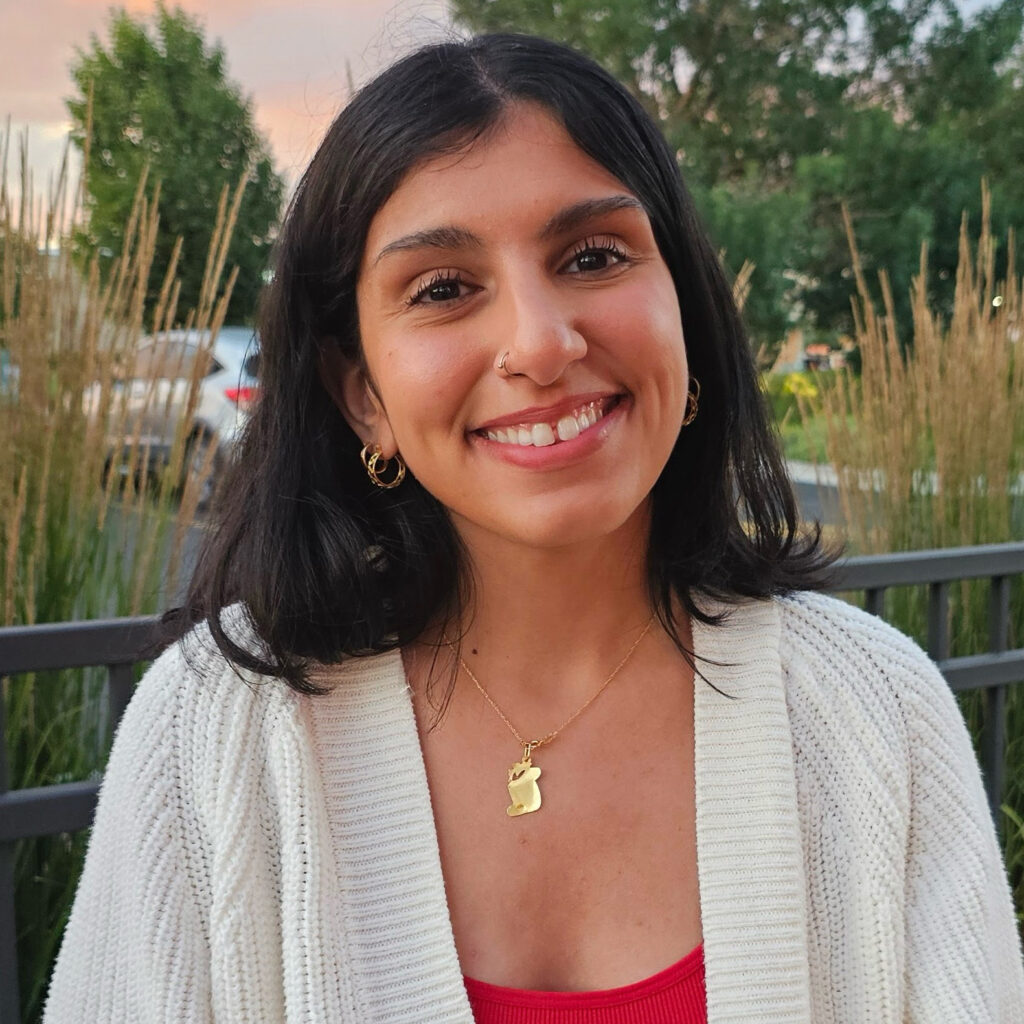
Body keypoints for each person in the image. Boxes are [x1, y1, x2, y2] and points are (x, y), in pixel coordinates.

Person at [45, 33, 1023, 1024]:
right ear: (363, 397)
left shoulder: (872, 715)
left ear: (683, 310)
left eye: (593, 256)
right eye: (442, 288)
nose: (541, 344)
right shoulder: (217, 733)